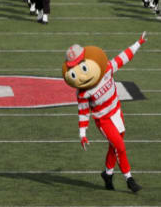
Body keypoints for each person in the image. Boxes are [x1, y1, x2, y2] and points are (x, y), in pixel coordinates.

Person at [62, 32, 147, 193]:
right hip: (103, 119)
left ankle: (107, 174)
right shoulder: (83, 91)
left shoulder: (106, 67)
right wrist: (82, 133)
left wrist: (138, 43)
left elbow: (123, 58)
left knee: (114, 145)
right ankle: (129, 179)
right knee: (120, 146)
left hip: (117, 111)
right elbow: (83, 111)